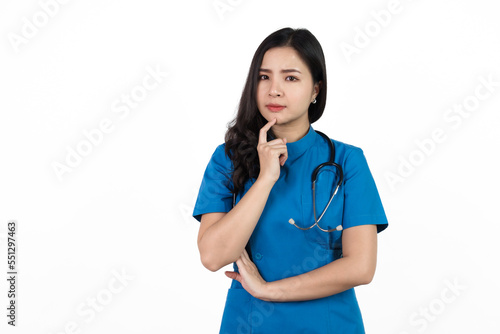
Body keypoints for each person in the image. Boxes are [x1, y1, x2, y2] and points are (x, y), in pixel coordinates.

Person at [192, 27, 388, 333]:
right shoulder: (228, 159)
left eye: (291, 78)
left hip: (329, 324)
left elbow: (360, 267)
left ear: (315, 90)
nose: (274, 90)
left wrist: (268, 290)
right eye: (264, 77)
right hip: (250, 323)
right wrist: (266, 179)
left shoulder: (347, 161)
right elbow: (213, 255)